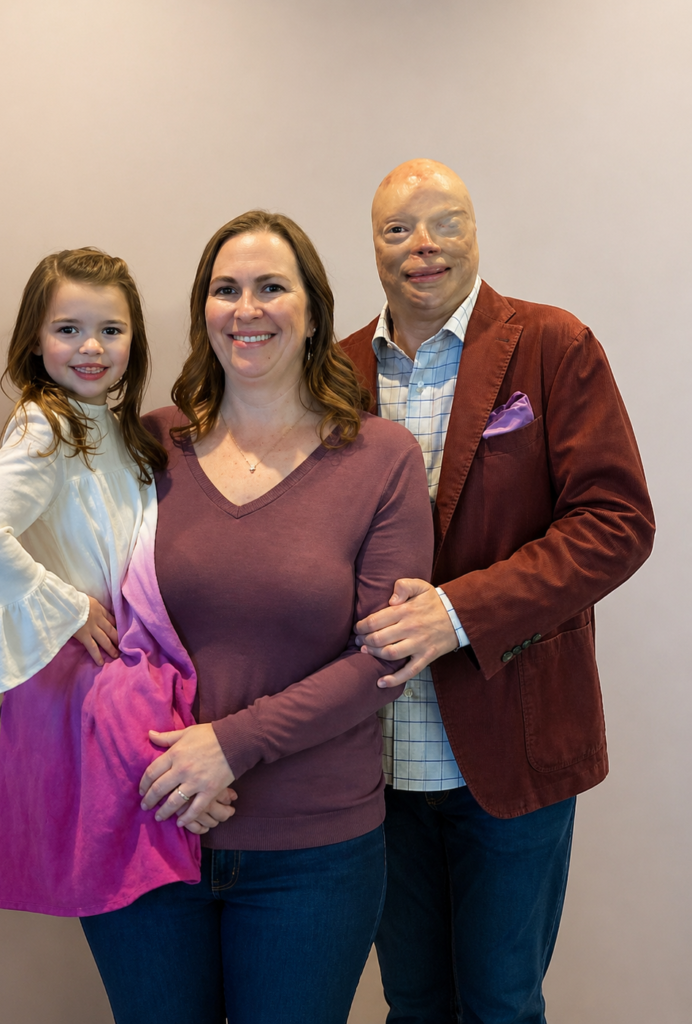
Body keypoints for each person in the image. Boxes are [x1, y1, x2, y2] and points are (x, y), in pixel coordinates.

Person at [77, 211, 434, 1024]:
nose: (248, 308)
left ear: (312, 312)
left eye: (272, 288)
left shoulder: (381, 460)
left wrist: (228, 748)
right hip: (148, 827)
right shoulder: (142, 448)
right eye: (225, 289)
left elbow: (384, 657)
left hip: (315, 856)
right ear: (203, 311)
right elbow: (91, 638)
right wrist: (159, 767)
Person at [342, 160, 655, 1023]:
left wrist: (456, 613)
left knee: (500, 1005)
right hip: (370, 761)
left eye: (444, 222)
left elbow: (615, 523)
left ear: (475, 232)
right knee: (410, 1003)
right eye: (397, 229)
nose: (423, 247)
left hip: (514, 747)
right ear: (371, 247)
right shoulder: (331, 374)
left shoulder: (553, 345)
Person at [0, 247, 234, 919]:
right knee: (129, 851)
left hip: (118, 667)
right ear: (35, 340)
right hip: (89, 673)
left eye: (111, 329)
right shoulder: (47, 425)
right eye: (68, 329)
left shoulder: (107, 423)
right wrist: (69, 606)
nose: (91, 347)